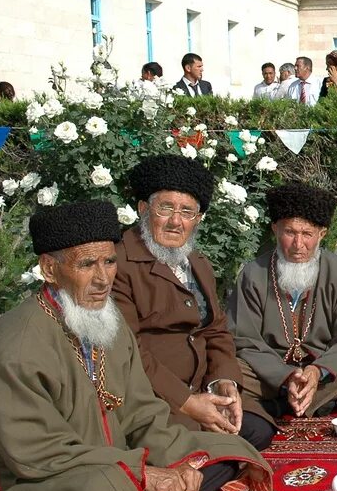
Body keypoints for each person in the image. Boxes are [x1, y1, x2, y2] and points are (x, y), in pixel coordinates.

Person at [0, 200, 271, 491]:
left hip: (119, 457)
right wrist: (143, 472)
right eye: (87, 264)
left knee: (230, 445)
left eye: (109, 261)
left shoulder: (107, 320)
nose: (103, 278)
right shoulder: (18, 343)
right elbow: (40, 454)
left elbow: (142, 411)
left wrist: (179, 464)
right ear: (50, 269)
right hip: (46, 480)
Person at [113, 155, 272, 450]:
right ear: (144, 209)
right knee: (190, 451)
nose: (176, 221)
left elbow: (216, 330)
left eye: (187, 211)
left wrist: (223, 383)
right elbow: (128, 350)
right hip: (155, 397)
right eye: (166, 208)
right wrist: (186, 402)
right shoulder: (119, 264)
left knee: (256, 430)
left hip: (201, 387)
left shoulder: (197, 262)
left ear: (197, 220)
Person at [230, 184, 337, 425]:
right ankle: (309, 401)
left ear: (321, 234)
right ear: (275, 230)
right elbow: (244, 339)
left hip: (323, 369)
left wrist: (317, 370)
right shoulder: (254, 274)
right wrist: (285, 376)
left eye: (307, 234)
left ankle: (286, 404)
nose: (298, 244)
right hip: (270, 372)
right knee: (231, 370)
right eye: (290, 232)